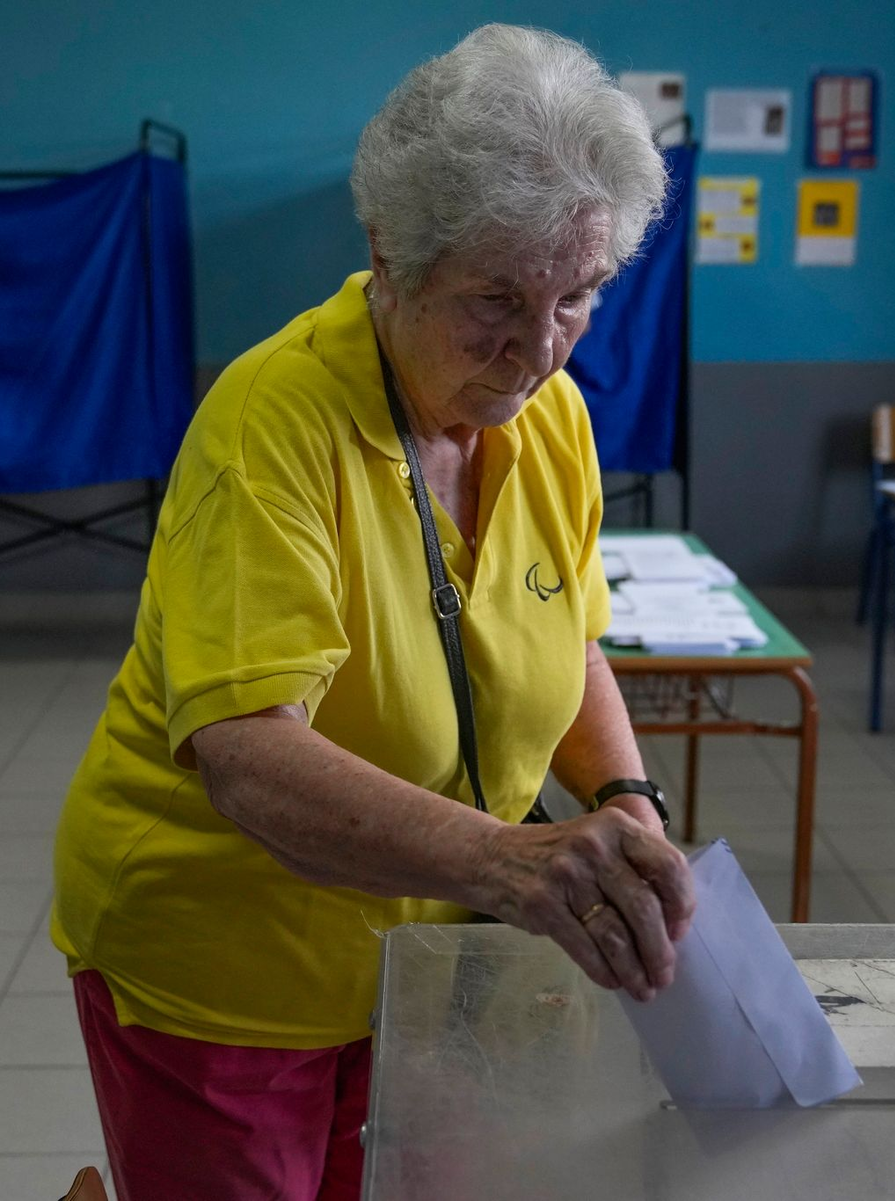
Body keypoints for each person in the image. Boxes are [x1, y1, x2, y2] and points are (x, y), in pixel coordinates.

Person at [52, 22, 696, 1201]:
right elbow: (248, 756)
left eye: (579, 298)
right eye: (496, 298)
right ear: (390, 256)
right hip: (231, 971)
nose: (537, 350)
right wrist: (514, 863)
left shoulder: (548, 419)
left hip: (433, 961)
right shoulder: (273, 425)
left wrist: (627, 800)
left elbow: (569, 632)